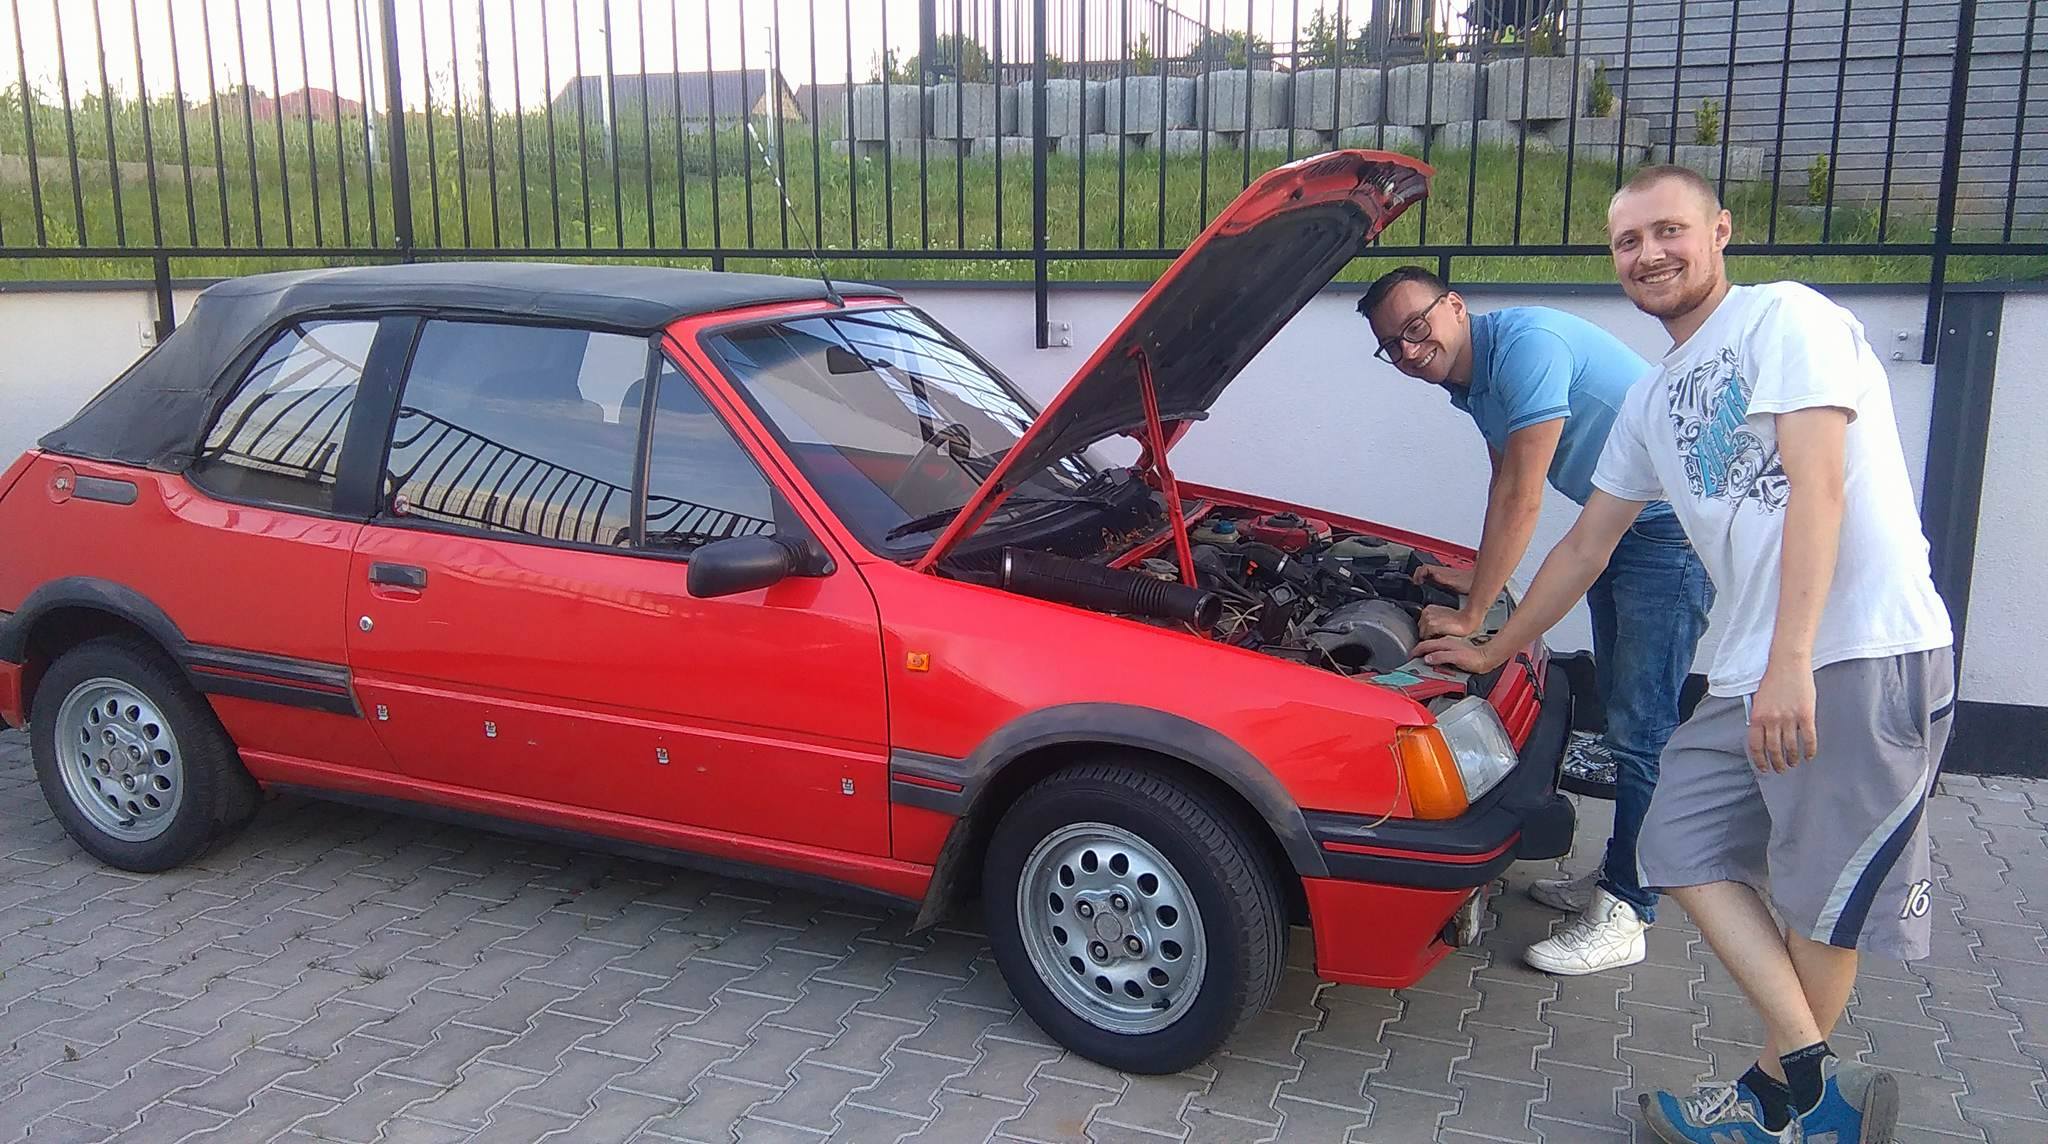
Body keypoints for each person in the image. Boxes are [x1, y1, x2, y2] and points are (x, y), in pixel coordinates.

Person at [1417, 164, 1952, 1144]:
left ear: (1718, 231)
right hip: (1752, 665)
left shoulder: (1784, 318)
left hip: (1855, 647)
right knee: (1672, 838)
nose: (1648, 254)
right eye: (1627, 241)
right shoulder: (1654, 399)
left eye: (1667, 230)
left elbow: (1819, 485)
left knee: (1817, 900)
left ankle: (1777, 1109)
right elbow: (1586, 545)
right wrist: (1492, 646)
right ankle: (1812, 1086)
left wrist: (1791, 658)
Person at [1357, 268, 1712, 976]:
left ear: (1455, 306)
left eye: (1416, 327)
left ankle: (1629, 908)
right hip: (1624, 522)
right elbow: (1504, 479)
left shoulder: (1527, 348)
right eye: (1392, 345)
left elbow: (1525, 491)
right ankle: (1622, 869)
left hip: (1667, 532)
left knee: (1643, 726)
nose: (1409, 350)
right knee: (1625, 712)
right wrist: (1478, 575)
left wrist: (1475, 619)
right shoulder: (1471, 380)